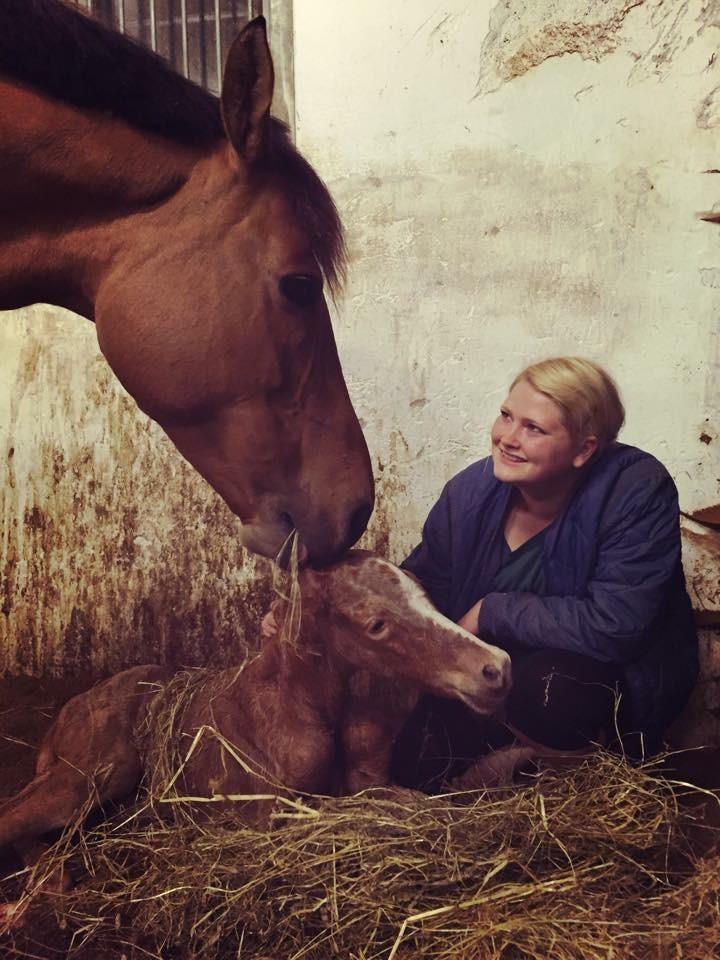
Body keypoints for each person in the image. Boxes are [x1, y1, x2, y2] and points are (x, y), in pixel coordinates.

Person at [392, 357, 698, 787]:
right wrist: (317, 604)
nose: (507, 439)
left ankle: (580, 788)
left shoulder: (635, 490)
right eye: (506, 416)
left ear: (584, 449)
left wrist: (492, 611)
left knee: (550, 689)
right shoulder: (470, 492)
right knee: (411, 767)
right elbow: (421, 587)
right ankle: (502, 769)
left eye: (533, 428)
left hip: (591, 685)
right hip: (490, 675)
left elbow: (617, 626)